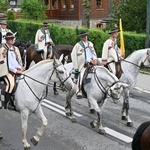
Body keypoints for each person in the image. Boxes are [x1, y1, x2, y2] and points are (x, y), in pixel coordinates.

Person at [71, 30, 98, 99]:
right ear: (81, 37)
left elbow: (93, 52)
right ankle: (78, 90)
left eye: (85, 36)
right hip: (84, 64)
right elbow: (75, 55)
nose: (85, 37)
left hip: (92, 62)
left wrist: (94, 59)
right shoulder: (78, 45)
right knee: (81, 74)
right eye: (83, 36)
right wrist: (76, 66)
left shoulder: (90, 44)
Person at [0, 32, 23, 109]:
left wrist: (19, 67)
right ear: (7, 40)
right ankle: (5, 103)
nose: (13, 40)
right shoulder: (3, 49)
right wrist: (15, 71)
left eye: (13, 39)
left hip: (14, 70)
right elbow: (7, 63)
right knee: (11, 84)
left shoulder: (15, 49)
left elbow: (16, 60)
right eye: (12, 39)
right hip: (6, 71)